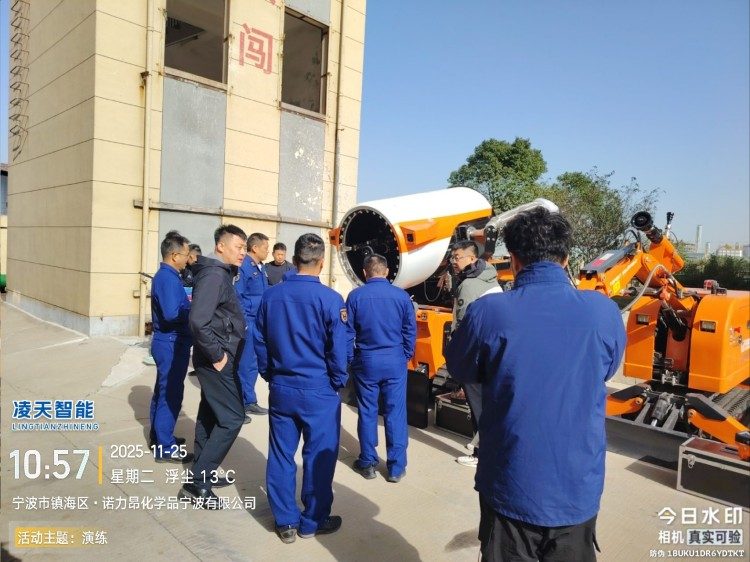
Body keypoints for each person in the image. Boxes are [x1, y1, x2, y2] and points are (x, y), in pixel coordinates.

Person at [445, 208, 626, 562]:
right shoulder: (602, 311)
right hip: (576, 486)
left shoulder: (489, 312)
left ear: (513, 260)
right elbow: (605, 370)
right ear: (566, 258)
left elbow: (462, 367)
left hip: (510, 483)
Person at [254, 233, 349, 544]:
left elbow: (260, 341)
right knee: (319, 455)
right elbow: (339, 351)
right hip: (319, 387)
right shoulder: (331, 300)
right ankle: (312, 520)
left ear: (294, 261)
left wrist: (270, 375)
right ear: (321, 262)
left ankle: (285, 521)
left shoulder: (271, 296)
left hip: (283, 386)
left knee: (281, 454)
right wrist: (337, 381)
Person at [179, 224, 248, 509]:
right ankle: (198, 482)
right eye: (238, 247)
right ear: (221, 246)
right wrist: (218, 355)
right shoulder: (214, 276)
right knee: (232, 418)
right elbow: (198, 321)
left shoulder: (220, 273)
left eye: (245, 248)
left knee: (210, 415)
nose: (242, 252)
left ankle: (203, 470)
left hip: (216, 358)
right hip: (216, 360)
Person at [346, 254, 416, 483]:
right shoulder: (402, 296)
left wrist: (352, 359)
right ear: (386, 272)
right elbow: (409, 330)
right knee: (395, 412)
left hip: (366, 360)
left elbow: (348, 333)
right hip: (394, 359)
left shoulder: (355, 296)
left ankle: (368, 462)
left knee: (367, 411)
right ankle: (396, 467)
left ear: (365, 273)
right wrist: (405, 354)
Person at [449, 240, 499, 468]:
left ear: (471, 258)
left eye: (457, 257)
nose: (454, 261)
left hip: (476, 355)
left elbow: (463, 326)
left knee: (477, 405)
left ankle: (481, 455)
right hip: (492, 350)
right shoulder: (491, 278)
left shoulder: (469, 285)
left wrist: (457, 357)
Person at [149, 231, 193, 463]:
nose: (188, 259)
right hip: (170, 342)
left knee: (163, 391)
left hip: (169, 341)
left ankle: (159, 437)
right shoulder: (167, 278)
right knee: (170, 394)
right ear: (175, 255)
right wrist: (192, 309)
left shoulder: (169, 276)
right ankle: (165, 447)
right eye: (186, 254)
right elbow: (171, 313)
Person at [235, 233, 270, 421]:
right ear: (255, 248)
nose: (268, 251)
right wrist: (243, 323)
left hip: (259, 321)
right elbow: (238, 296)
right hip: (248, 320)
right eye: (265, 248)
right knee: (244, 363)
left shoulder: (260, 267)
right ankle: (239, 405)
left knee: (254, 363)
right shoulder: (244, 267)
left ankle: (249, 400)